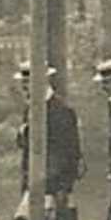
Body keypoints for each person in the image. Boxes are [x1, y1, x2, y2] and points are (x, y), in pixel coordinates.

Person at [14, 62, 84, 203]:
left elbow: (71, 152)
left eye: (28, 82)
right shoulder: (30, 108)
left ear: (42, 82)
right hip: (33, 184)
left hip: (54, 188)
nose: (25, 88)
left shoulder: (62, 111)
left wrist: (63, 187)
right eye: (23, 83)